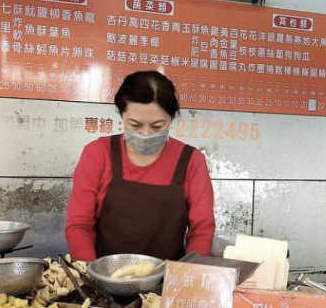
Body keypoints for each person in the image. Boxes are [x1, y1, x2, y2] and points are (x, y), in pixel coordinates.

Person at [66, 71, 215, 261]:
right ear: (121, 115)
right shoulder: (98, 153)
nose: (145, 133)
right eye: (135, 125)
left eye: (157, 126)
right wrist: (88, 274)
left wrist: (190, 275)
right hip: (103, 278)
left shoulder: (191, 161)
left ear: (171, 119)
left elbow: (202, 229)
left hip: (167, 279)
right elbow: (79, 224)